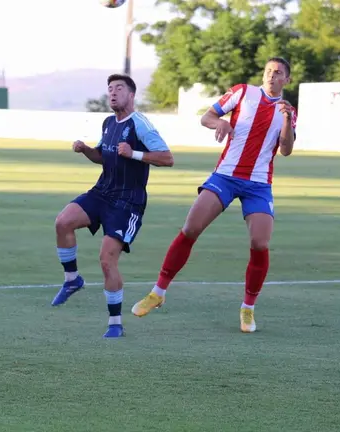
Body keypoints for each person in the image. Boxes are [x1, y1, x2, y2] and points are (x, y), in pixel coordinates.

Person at [131, 57, 298, 333]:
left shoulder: (288, 110)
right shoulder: (243, 92)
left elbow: (287, 149)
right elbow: (207, 117)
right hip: (225, 176)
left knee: (260, 243)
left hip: (258, 184)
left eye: (278, 72)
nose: (271, 75)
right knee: (191, 227)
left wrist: (287, 119)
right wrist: (217, 124)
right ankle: (158, 292)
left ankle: (248, 308)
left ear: (286, 80)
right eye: (268, 71)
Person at [51, 73, 174, 338]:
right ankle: (72, 280)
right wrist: (85, 150)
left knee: (107, 259)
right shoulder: (108, 123)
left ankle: (115, 323)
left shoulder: (140, 124)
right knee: (62, 222)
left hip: (127, 203)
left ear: (132, 95)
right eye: (110, 89)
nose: (113, 93)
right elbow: (103, 157)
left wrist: (135, 153)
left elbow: (167, 158)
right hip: (101, 192)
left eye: (119, 88)